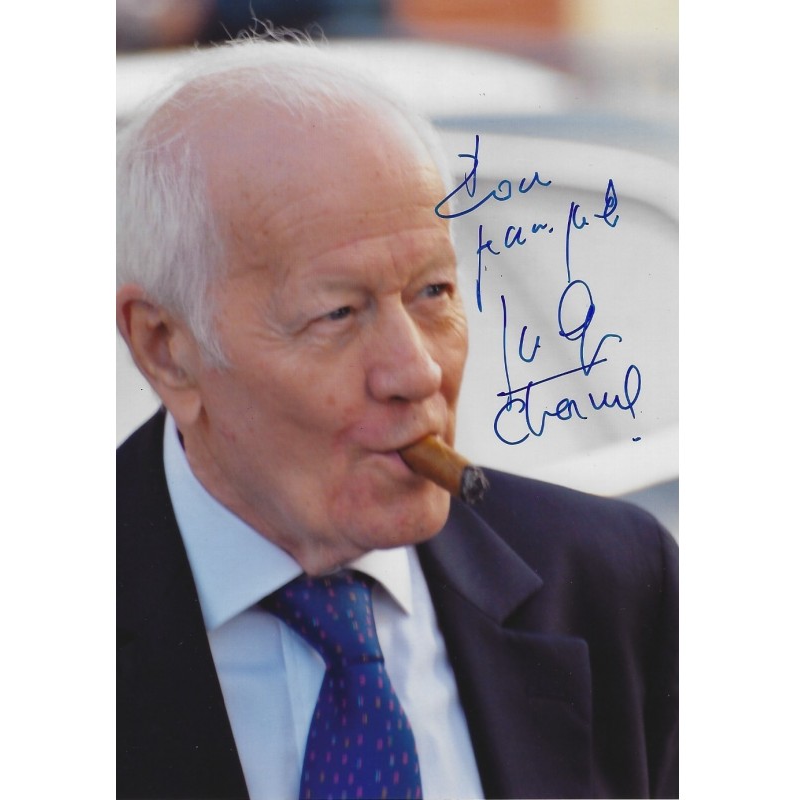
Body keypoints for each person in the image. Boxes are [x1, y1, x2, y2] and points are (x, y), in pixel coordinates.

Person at [116, 37, 678, 800]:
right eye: (338, 313)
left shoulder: (610, 581)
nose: (417, 373)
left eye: (433, 294)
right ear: (166, 349)